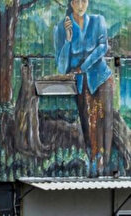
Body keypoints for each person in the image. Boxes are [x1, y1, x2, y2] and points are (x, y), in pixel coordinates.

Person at [54, 0, 114, 176]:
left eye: (84, 1)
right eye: (77, 1)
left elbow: (103, 47)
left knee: (105, 122)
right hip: (81, 83)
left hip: (101, 78)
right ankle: (93, 164)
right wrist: (68, 40)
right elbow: (62, 66)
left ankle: (107, 166)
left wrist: (83, 66)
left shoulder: (98, 21)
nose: (81, 5)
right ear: (71, 3)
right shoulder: (61, 27)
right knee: (87, 124)